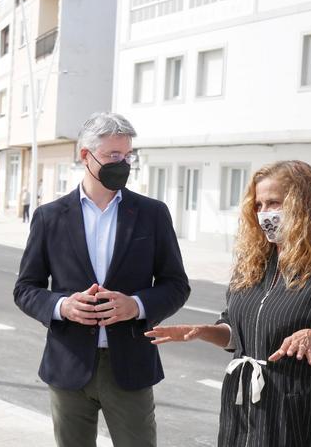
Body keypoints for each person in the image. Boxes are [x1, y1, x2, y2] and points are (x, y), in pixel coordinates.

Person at [145, 160, 311, 447]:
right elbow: (238, 332)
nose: (264, 214)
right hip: (243, 413)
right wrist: (204, 331)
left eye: (274, 203)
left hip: (301, 418)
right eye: (258, 205)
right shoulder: (252, 263)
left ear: (305, 205)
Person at [14, 112, 191, 447]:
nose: (122, 163)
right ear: (86, 156)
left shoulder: (152, 214)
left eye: (127, 156)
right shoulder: (49, 217)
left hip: (129, 366)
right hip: (68, 366)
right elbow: (25, 289)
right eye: (113, 156)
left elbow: (176, 284)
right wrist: (63, 306)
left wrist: (136, 306)